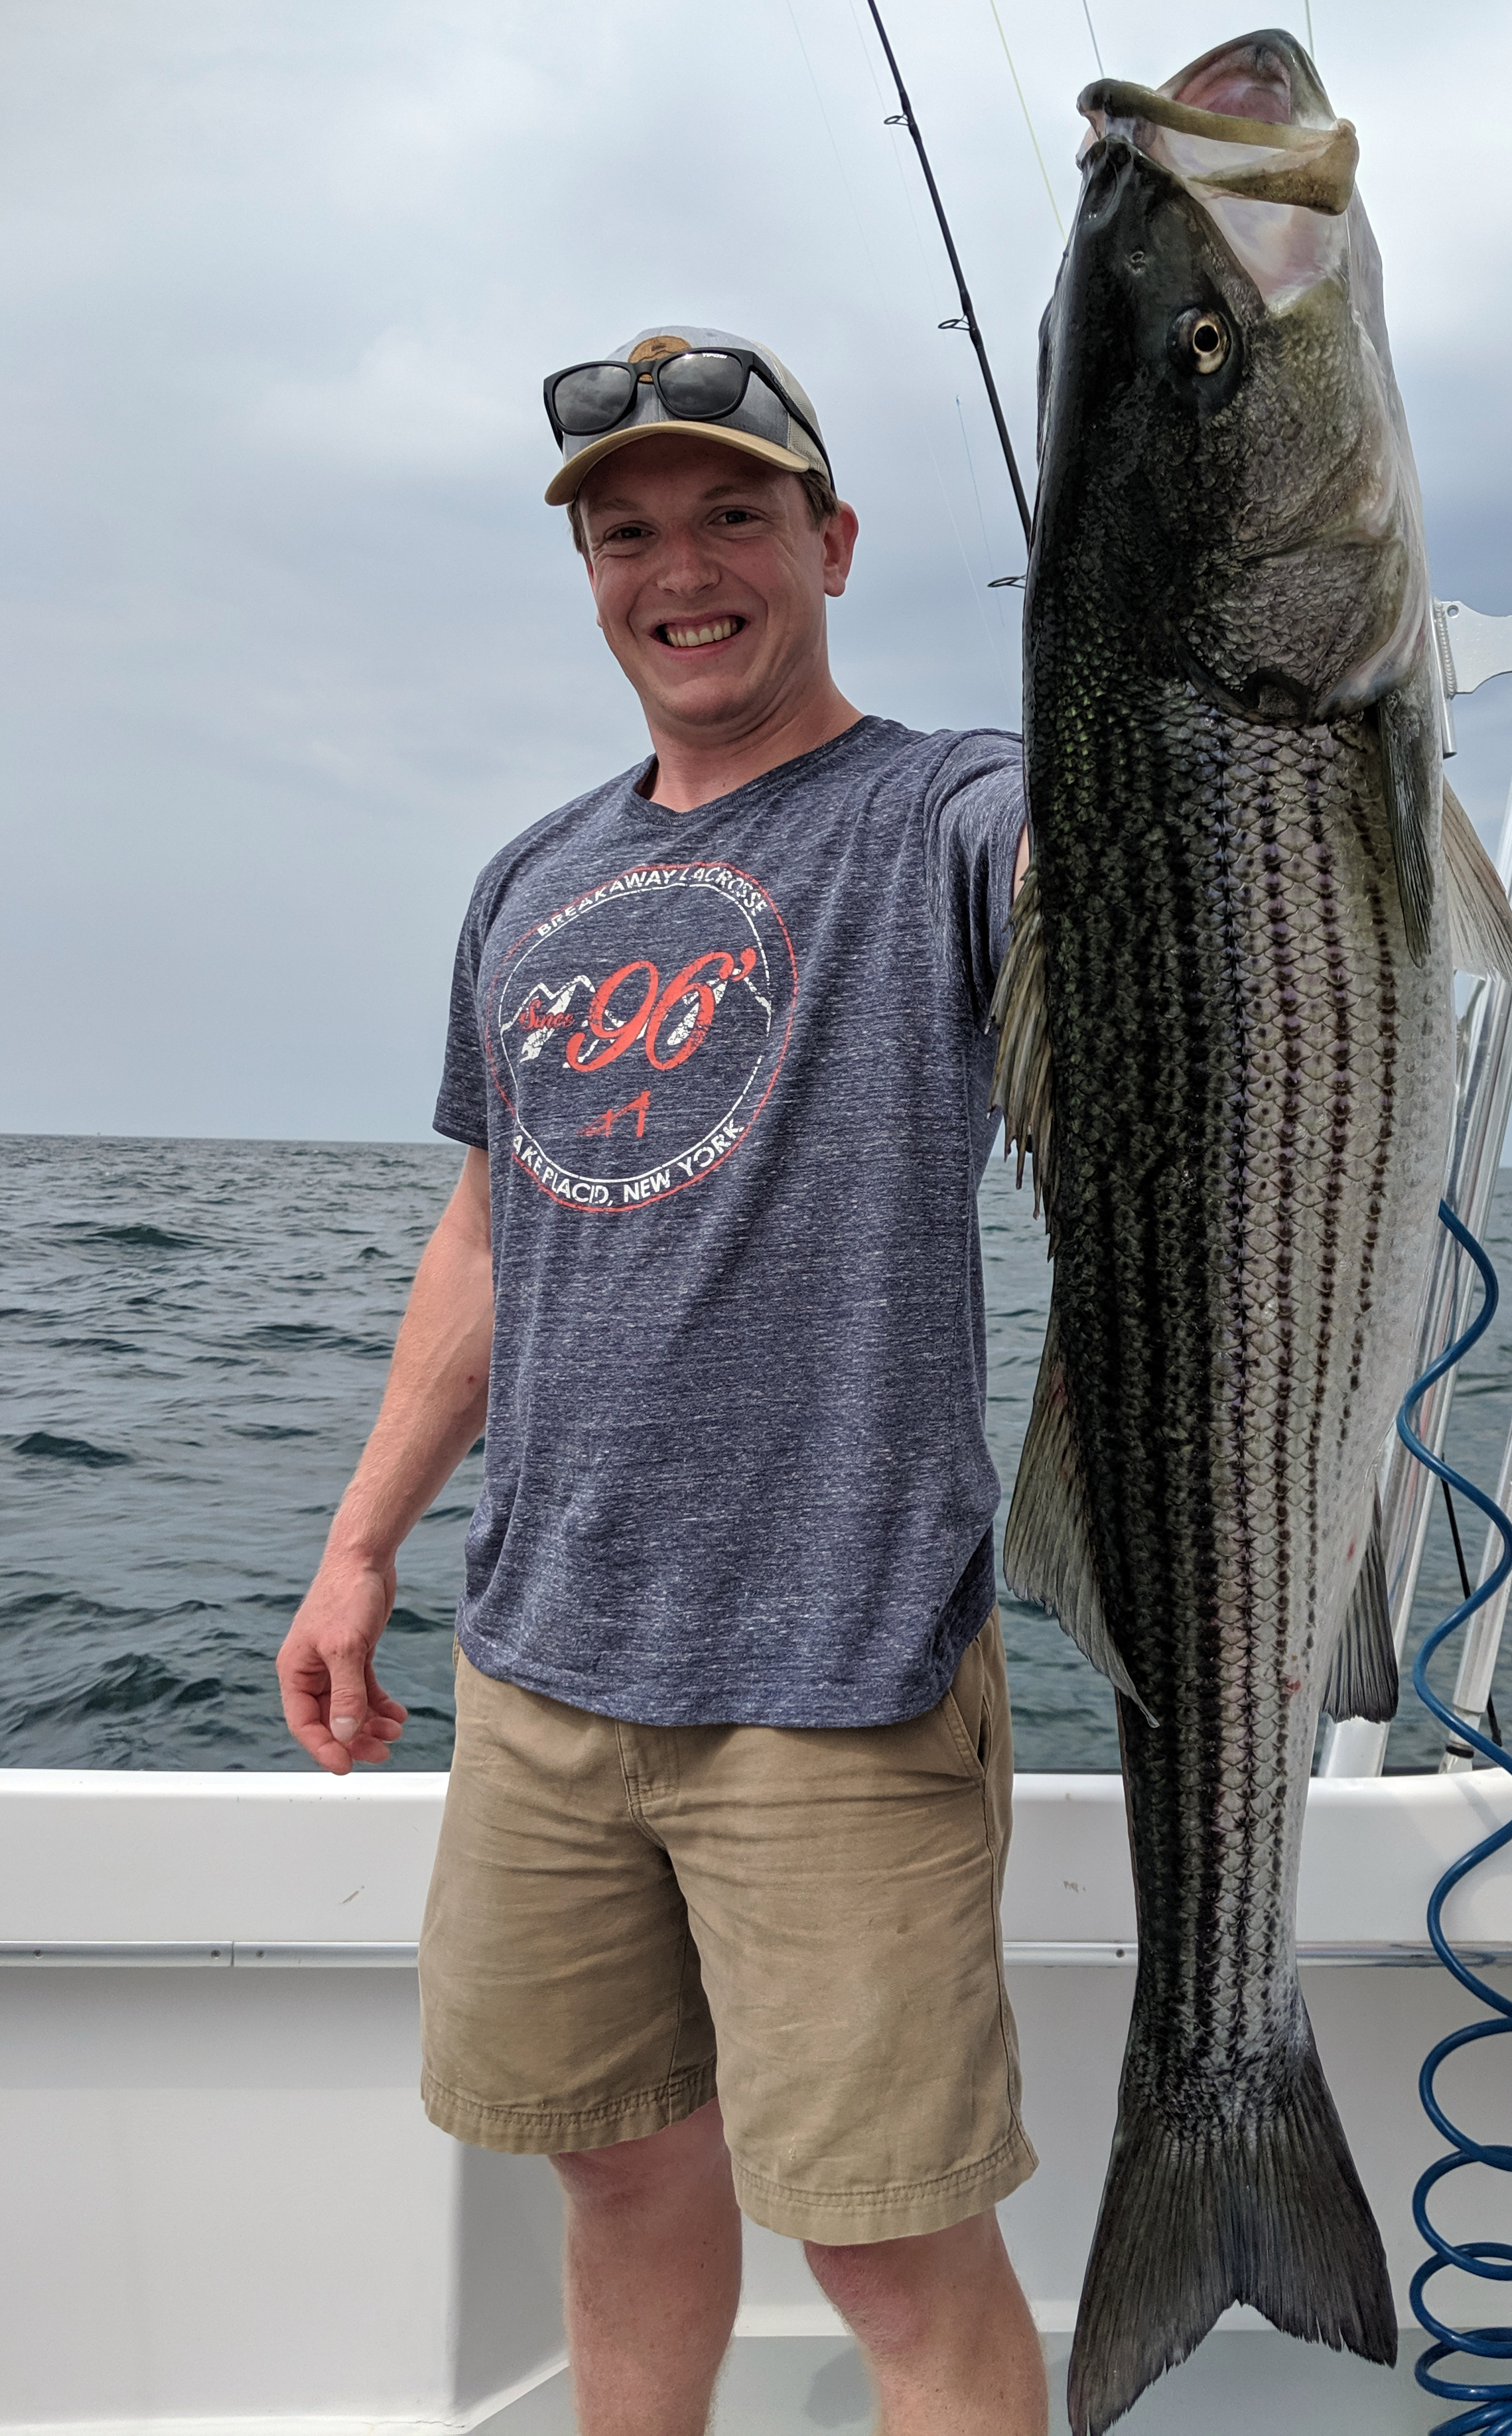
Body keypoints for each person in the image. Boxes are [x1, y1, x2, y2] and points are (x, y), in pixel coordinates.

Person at [275, 324, 1046, 2436]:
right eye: (628, 535)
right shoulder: (532, 879)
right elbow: (487, 1233)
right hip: (541, 1666)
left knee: (892, 2245)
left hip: (839, 1673)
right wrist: (359, 1555)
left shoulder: (953, 810)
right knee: (614, 2160)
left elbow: (1095, 860)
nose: (678, 567)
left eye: (733, 515)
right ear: (591, 577)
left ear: (834, 540)